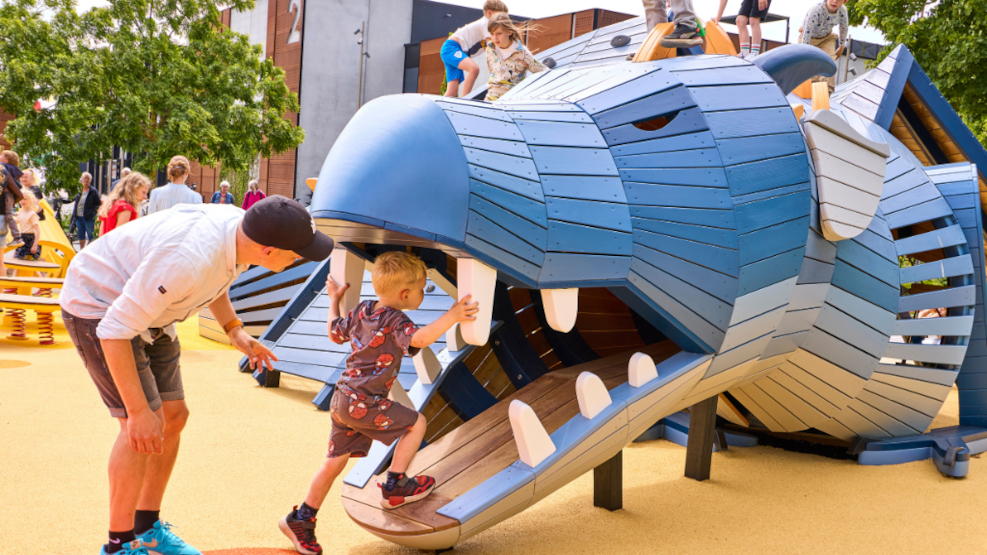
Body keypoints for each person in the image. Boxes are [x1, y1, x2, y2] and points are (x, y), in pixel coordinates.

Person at [60, 197, 335, 555]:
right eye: (297, 254)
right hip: (99, 305)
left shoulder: (243, 232)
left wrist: (234, 329)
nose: (299, 259)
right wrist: (137, 412)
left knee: (173, 417)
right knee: (140, 428)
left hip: (151, 307)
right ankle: (119, 545)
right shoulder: (186, 261)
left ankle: (147, 529)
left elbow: (216, 278)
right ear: (268, 251)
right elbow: (113, 331)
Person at [278, 251, 479, 555]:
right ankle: (395, 485)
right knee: (416, 423)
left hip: (342, 398)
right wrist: (452, 316)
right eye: (422, 289)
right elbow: (420, 339)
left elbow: (334, 332)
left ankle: (302, 518)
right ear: (405, 294)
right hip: (363, 401)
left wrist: (333, 300)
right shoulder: (396, 320)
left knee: (333, 463)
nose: (424, 293)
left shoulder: (363, 310)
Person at [440, 0, 509, 98]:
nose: (501, 21)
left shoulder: (489, 28)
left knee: (452, 92)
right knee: (474, 69)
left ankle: (440, 106)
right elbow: (492, 48)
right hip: (452, 47)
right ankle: (465, 101)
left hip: (455, 50)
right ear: (490, 13)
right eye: (500, 17)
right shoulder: (486, 23)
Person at [485, 14, 546, 101]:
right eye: (492, 34)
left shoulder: (522, 53)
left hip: (512, 99)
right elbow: (492, 73)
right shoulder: (490, 49)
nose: (495, 38)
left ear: (509, 32)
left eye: (499, 33)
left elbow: (542, 72)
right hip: (491, 97)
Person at [800, 0, 849, 90]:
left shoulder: (842, 11)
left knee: (828, 62)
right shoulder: (815, 10)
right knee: (810, 64)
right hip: (809, 40)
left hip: (827, 38)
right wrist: (804, 54)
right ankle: (811, 85)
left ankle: (827, 89)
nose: (835, 1)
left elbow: (844, 28)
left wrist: (841, 47)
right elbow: (806, 33)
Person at [1, 150, 25, 244]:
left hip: (6, 196)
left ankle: (17, 238)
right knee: (9, 216)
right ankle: (17, 237)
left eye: (1, 155)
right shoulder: (10, 168)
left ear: (6, 161)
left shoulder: (3, 166)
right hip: (10, 196)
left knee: (9, 216)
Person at [72, 172, 101, 249]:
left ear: (90, 180)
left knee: (91, 235)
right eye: (84, 178)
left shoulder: (93, 191)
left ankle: (87, 251)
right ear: (81, 180)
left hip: (89, 217)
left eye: (88, 179)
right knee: (81, 235)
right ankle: (82, 250)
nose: (86, 180)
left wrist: (93, 211)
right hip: (78, 216)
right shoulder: (79, 190)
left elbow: (98, 204)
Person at [13, 193, 42, 262]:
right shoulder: (21, 212)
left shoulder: (32, 214)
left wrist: (35, 245)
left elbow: (38, 230)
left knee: (22, 261)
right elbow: (14, 223)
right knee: (18, 260)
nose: (22, 201)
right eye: (21, 199)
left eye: (25, 199)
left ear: (31, 201)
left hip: (29, 239)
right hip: (22, 238)